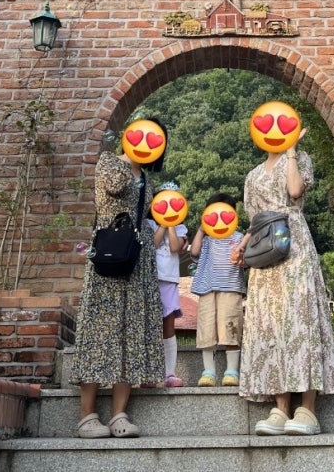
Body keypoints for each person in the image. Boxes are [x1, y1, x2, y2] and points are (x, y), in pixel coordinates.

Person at [230, 128, 334, 435]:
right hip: (265, 250)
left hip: (294, 245)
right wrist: (242, 246)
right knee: (270, 324)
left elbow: (294, 191)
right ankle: (280, 408)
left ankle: (308, 410)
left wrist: (292, 151)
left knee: (301, 319)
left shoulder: (300, 158)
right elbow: (255, 219)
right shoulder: (252, 175)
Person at [70, 133, 165, 439]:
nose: (147, 143)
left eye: (156, 140)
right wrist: (126, 162)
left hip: (137, 259)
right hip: (108, 253)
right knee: (98, 331)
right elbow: (114, 187)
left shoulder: (147, 178)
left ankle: (118, 415)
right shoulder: (110, 163)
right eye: (141, 135)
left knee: (130, 333)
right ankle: (87, 416)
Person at [189, 191, 247, 388]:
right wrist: (202, 228)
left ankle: (231, 372)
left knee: (231, 327)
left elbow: (245, 260)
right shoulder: (207, 239)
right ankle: (209, 372)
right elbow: (194, 251)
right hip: (207, 289)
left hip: (231, 288)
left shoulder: (238, 237)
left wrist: (241, 257)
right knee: (207, 330)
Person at [149, 181, 189, 387]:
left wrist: (171, 223)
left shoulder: (181, 228)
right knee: (150, 325)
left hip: (169, 280)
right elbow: (152, 244)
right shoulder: (149, 225)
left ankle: (169, 373)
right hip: (149, 280)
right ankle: (148, 373)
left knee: (168, 324)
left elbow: (175, 247)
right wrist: (162, 224)